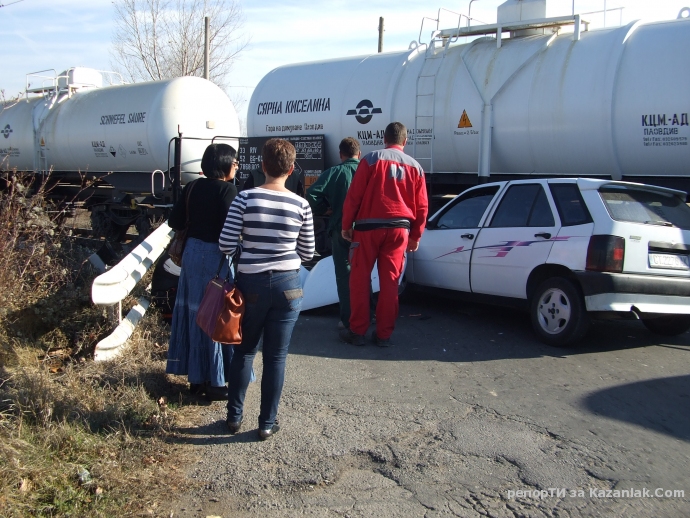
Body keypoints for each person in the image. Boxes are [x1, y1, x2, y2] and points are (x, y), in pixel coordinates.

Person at [219, 138, 315, 440]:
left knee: (244, 351)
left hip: (252, 286)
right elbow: (309, 252)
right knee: (276, 357)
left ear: (262, 166)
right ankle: (267, 423)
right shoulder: (301, 205)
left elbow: (225, 244)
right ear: (290, 169)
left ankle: (234, 417)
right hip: (289, 285)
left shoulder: (244, 199)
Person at [340, 122, 429, 346]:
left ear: (384, 139)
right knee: (390, 283)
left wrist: (346, 225)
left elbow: (354, 196)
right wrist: (416, 236)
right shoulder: (416, 167)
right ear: (405, 141)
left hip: (368, 229)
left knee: (359, 281)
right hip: (399, 230)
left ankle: (357, 332)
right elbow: (422, 206)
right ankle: (384, 336)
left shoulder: (370, 159)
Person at [166, 143, 240, 400]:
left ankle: (195, 380)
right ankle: (216, 381)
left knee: (194, 313)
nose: (237, 166)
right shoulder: (228, 190)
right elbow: (230, 232)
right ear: (224, 165)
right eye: (235, 161)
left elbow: (174, 221)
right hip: (215, 257)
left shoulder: (192, 187)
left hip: (191, 255)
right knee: (216, 315)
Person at [306, 137, 360, 331]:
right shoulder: (369, 171)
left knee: (344, 274)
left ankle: (347, 319)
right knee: (364, 273)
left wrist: (325, 208)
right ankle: (368, 314)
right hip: (366, 230)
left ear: (340, 154)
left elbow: (312, 195)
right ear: (359, 154)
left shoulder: (334, 172)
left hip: (340, 228)